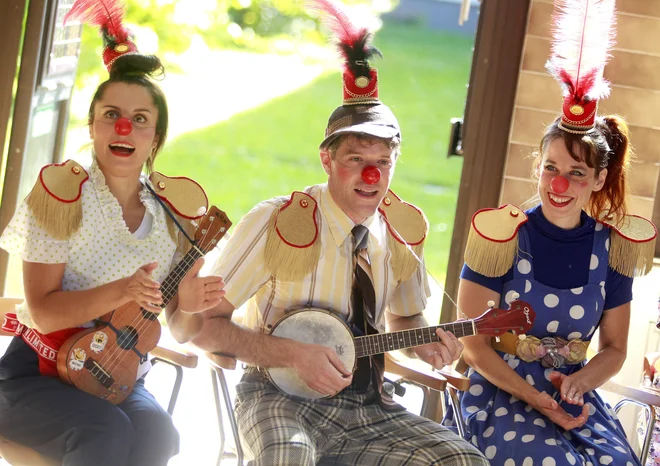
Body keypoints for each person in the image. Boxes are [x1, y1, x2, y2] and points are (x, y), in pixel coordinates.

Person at [167, 1, 488, 465]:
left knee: (462, 461)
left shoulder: (398, 231)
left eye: (382, 163)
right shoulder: (277, 221)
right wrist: (291, 354)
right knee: (291, 459)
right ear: (327, 160)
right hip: (275, 399)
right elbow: (204, 327)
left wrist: (426, 343)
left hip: (368, 407)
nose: (370, 176)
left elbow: (404, 322)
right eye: (357, 159)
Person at [0, 1, 225, 465]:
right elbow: (40, 313)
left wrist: (190, 305)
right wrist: (121, 290)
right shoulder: (60, 194)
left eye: (141, 119)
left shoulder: (172, 217)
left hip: (113, 375)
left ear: (156, 137)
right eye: (112, 114)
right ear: (93, 125)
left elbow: (181, 330)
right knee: (105, 432)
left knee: (160, 435)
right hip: (34, 377)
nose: (125, 127)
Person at [445, 0, 658, 465]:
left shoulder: (611, 249)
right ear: (538, 167)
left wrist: (579, 384)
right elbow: (474, 344)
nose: (560, 185)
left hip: (573, 400)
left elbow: (616, 348)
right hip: (500, 396)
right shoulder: (500, 237)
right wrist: (536, 398)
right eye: (551, 168)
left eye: (577, 173)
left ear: (599, 179)